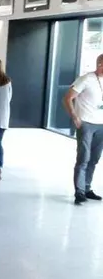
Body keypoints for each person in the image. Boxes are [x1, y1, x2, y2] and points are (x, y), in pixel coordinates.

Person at [64, 54, 103, 204]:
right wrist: (74, 116)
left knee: (94, 158)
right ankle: (79, 192)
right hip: (86, 123)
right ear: (99, 64)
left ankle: (87, 188)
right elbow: (68, 98)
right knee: (83, 158)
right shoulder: (86, 79)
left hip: (101, 125)